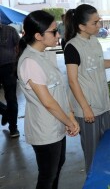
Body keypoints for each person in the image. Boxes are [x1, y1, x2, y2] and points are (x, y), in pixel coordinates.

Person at [16, 10, 80, 189]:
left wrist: (70, 117)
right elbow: (48, 102)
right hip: (45, 130)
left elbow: (59, 91)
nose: (58, 34)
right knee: (47, 177)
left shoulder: (44, 55)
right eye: (53, 31)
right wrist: (69, 121)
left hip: (57, 123)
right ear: (38, 35)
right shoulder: (30, 62)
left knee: (56, 169)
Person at [63, 4, 110, 173]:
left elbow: (97, 65)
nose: (99, 26)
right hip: (88, 109)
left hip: (103, 105)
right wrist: (85, 108)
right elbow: (72, 80)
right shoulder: (72, 47)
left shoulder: (94, 41)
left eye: (99, 21)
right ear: (81, 26)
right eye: (95, 23)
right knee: (93, 154)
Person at [0, 23, 20, 138]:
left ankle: (13, 127)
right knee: (10, 103)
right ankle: (6, 112)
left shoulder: (10, 30)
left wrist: (17, 64)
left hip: (9, 67)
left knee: (11, 98)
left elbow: (19, 47)